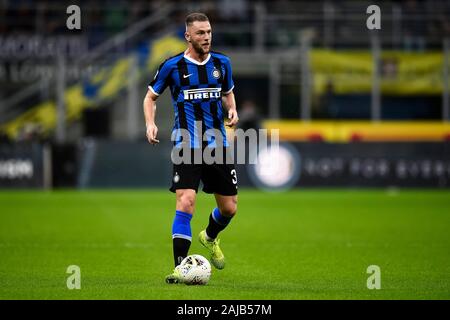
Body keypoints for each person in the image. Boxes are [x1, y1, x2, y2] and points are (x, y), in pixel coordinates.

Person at [143, 12, 239, 284]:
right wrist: (150, 124)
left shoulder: (222, 63)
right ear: (188, 36)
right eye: (200, 33)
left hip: (217, 145)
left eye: (208, 32)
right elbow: (150, 97)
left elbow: (228, 92)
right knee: (186, 201)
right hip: (186, 142)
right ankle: (179, 267)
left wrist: (232, 110)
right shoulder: (172, 66)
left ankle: (209, 236)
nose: (206, 37)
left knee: (230, 208)